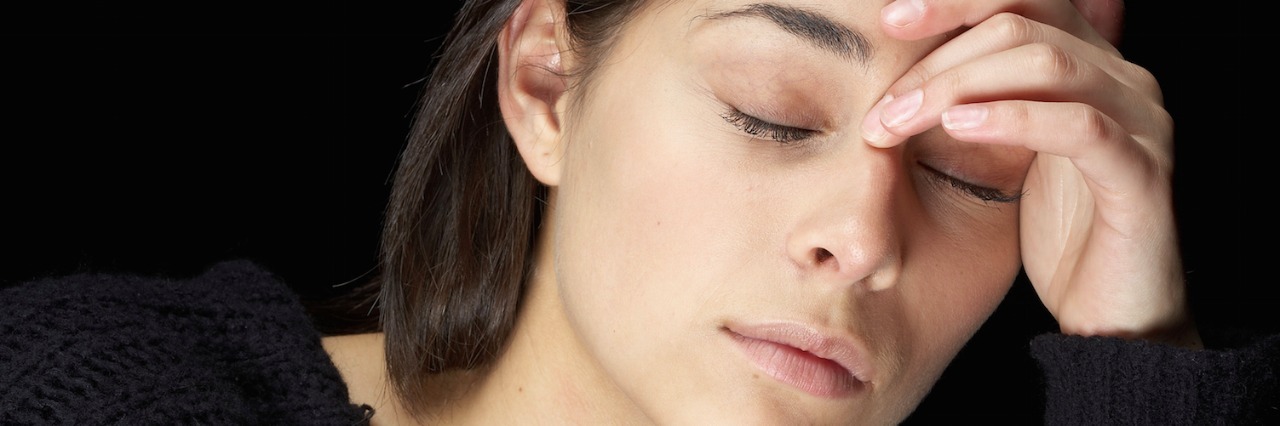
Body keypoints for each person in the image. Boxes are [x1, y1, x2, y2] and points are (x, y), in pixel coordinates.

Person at [1, 0, 1274, 424]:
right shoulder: (92, 391)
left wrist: (1136, 359)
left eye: (970, 174)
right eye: (772, 113)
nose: (863, 238)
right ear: (546, 83)